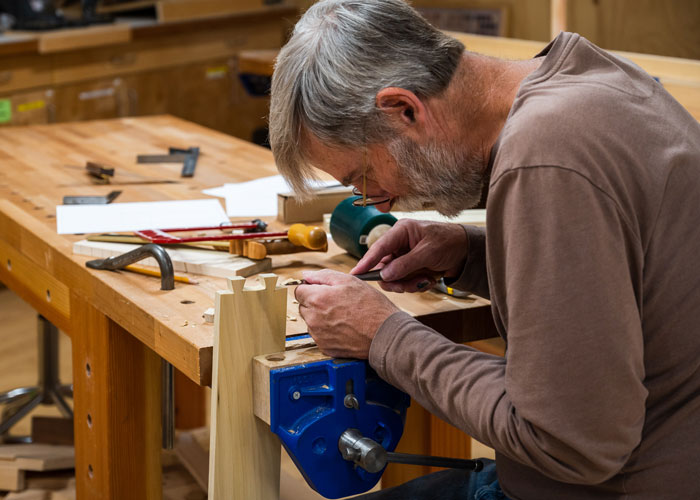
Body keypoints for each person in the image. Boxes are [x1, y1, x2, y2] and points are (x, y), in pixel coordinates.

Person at [268, 1, 700, 498]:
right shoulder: (587, 77)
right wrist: (471, 253)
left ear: (403, 109)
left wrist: (383, 336)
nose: (372, 201)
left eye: (361, 177)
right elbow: (620, 273)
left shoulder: (546, 158)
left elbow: (571, 443)